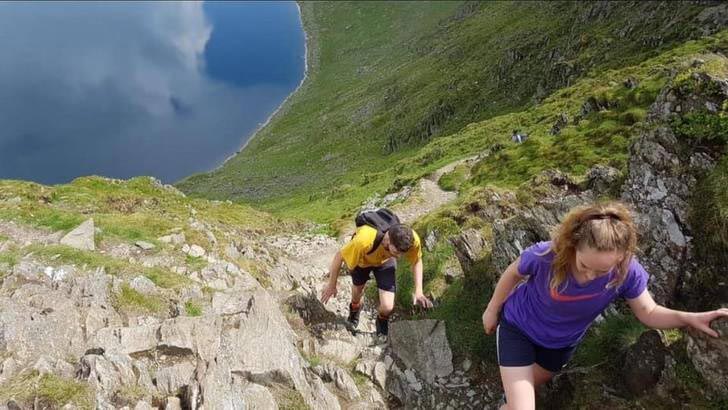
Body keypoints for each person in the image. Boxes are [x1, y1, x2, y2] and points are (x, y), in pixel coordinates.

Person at [482, 201, 728, 410]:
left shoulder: (626, 272)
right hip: (518, 328)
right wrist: (492, 309)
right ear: (574, 245)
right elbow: (513, 272)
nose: (589, 276)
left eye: (601, 271)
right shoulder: (547, 255)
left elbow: (649, 312)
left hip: (559, 345)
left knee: (524, 391)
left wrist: (689, 318)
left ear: (621, 257)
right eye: (583, 265)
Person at [320, 223, 433, 336]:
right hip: (362, 260)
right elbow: (339, 256)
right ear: (388, 239)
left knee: (388, 306)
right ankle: (355, 308)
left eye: (401, 254)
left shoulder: (412, 240)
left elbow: (417, 260)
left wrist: (419, 292)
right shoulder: (363, 241)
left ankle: (382, 321)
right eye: (396, 253)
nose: (399, 257)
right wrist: (331, 285)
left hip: (385, 261)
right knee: (358, 290)